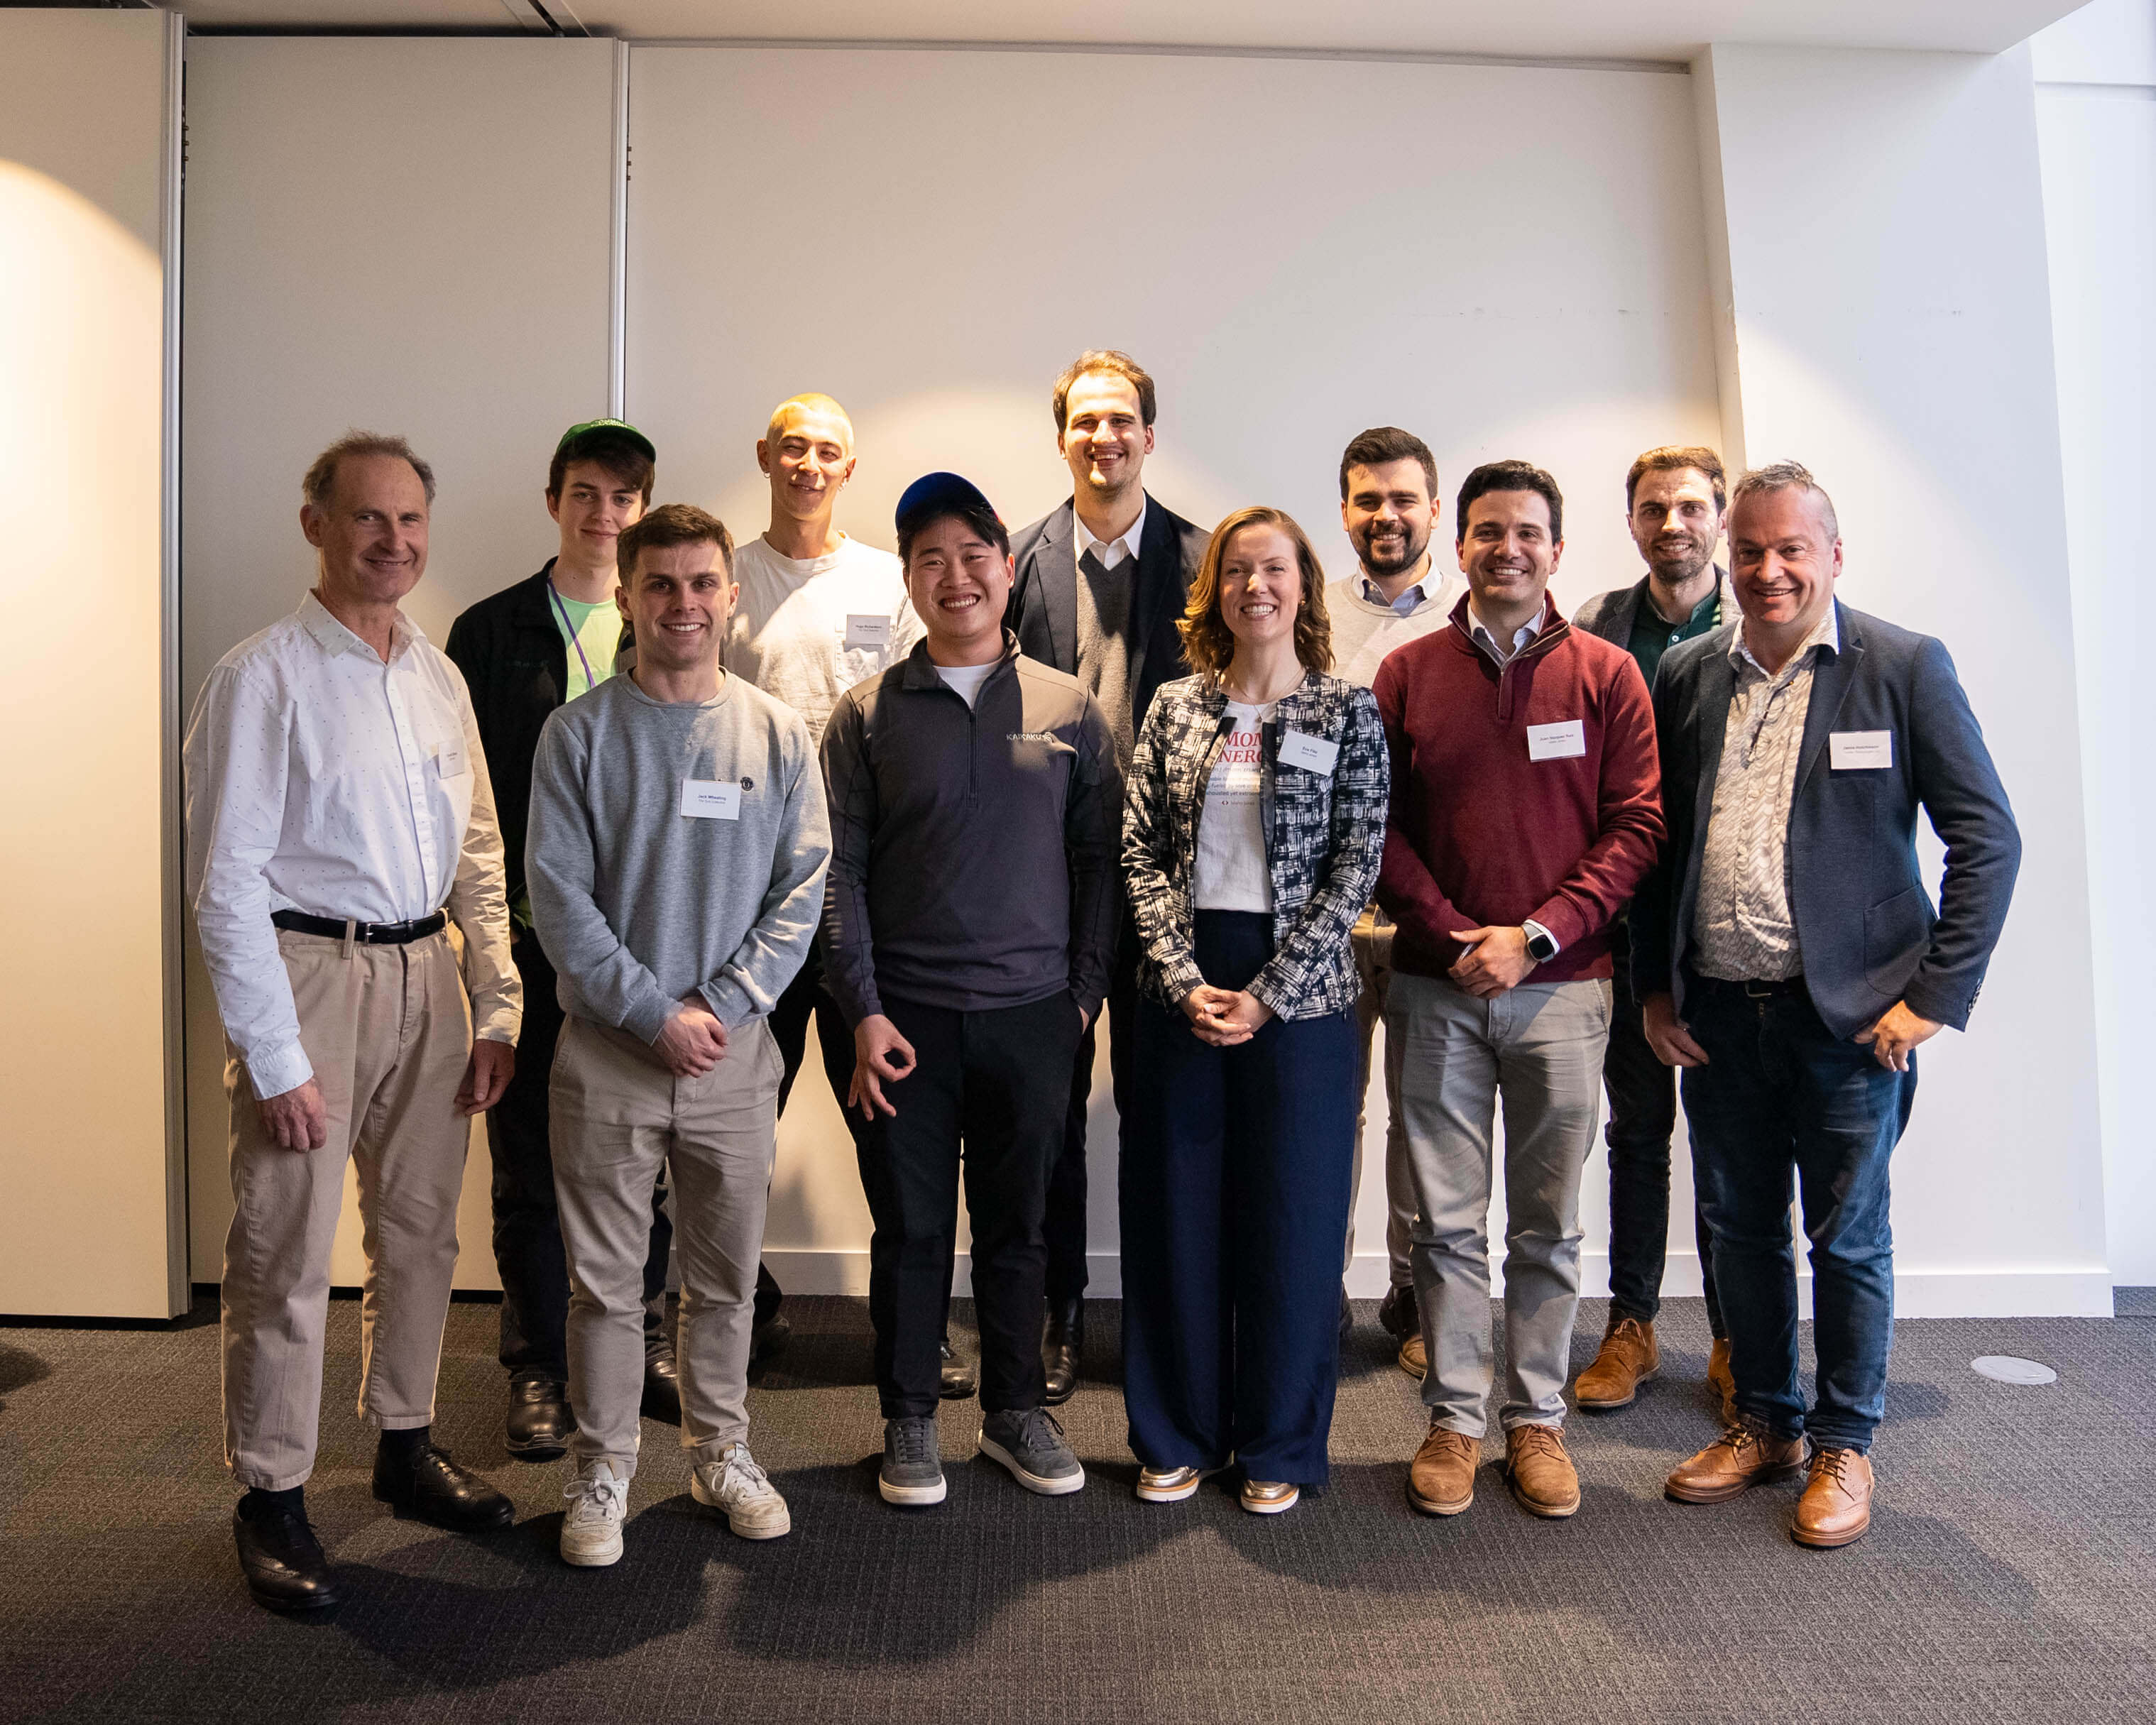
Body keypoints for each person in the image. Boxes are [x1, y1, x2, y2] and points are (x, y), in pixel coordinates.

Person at [1636, 461, 2020, 1548]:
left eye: (1790, 549)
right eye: (1749, 550)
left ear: (1832, 557)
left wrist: (1932, 999)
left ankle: (1846, 1441)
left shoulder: (1900, 666)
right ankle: (1766, 1419)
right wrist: (1655, 988)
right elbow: (1662, 850)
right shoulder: (1687, 674)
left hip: (1850, 1020)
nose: (1767, 569)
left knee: (1846, 1237)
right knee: (1738, 1229)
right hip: (1717, 1009)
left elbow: (1986, 838)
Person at [185, 432, 522, 1614]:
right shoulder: (260, 677)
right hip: (310, 975)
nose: (394, 541)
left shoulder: (438, 677)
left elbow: (479, 851)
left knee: (423, 1233)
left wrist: (496, 1001)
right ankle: (272, 1494)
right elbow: (224, 884)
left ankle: (405, 1440)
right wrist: (276, 1055)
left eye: (412, 520)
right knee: (283, 1248)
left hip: (429, 975)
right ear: (315, 524)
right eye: (369, 518)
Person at [527, 503, 831, 1565]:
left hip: (733, 1060)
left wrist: (724, 1005)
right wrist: (654, 1013)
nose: (684, 604)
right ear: (628, 594)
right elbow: (558, 900)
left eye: (704, 583)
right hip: (608, 1057)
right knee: (607, 1285)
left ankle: (719, 1451)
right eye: (662, 585)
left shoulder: (777, 733)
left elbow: (802, 890)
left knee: (722, 1278)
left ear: (730, 594)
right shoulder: (578, 735)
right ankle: (602, 1468)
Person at [821, 471, 1120, 1507]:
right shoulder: (865, 715)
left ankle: (1013, 1411)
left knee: (1017, 1226)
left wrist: (1079, 1002)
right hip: (899, 1021)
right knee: (908, 1230)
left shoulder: (1067, 707)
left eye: (972, 554)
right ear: (909, 580)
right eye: (929, 560)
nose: (956, 576)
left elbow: (1100, 866)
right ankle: (906, 1420)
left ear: (1004, 564)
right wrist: (860, 1008)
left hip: (1032, 1016)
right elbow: (838, 874)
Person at [1374, 459, 1663, 1522]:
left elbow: (1635, 827)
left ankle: (1534, 1419)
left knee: (1546, 1224)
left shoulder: (1606, 675)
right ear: (1459, 545)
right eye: (1487, 530)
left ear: (1555, 548)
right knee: (1446, 1227)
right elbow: (1379, 830)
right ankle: (1454, 1418)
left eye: (1527, 532)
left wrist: (1534, 934)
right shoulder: (1405, 675)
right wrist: (1456, 937)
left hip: (1564, 990)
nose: (1507, 547)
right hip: (1436, 988)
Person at [1121, 507, 1388, 1515]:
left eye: (1273, 568)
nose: (1254, 586)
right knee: (1175, 1216)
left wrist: (1267, 994)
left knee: (1294, 1219)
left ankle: (1277, 1442)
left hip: (1303, 1002)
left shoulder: (1345, 713)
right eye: (1236, 570)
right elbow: (1139, 851)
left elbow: (1353, 868)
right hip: (1182, 989)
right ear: (1214, 591)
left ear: (1301, 585)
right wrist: (1183, 977)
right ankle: (1176, 1432)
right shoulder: (1173, 708)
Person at [445, 418, 683, 1464]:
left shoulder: (670, 622)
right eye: (586, 493)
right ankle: (537, 1364)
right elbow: (465, 800)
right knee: (530, 1159)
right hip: (540, 944)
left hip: (648, 943)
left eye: (624, 497)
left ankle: (643, 1340)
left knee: (653, 1152)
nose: (604, 514)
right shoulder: (491, 632)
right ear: (554, 500)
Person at [1009, 351, 1211, 1402]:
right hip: (1046, 882)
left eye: (1121, 419)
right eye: (1085, 420)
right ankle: (1056, 1311)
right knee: (1047, 1105)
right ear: (1062, 436)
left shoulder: (1210, 559)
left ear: (1147, 432)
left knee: (1163, 1104)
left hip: (1178, 883)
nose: (1104, 437)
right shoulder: (1012, 560)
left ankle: (1163, 1311)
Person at [721, 393, 935, 1382]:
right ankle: (733, 1309)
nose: (809, 463)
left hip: (857, 898)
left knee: (891, 1125)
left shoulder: (888, 582)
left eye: (829, 451)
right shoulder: (725, 578)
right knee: (733, 1124)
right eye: (794, 447)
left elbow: (906, 726)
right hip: (748, 898)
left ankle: (914, 1327)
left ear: (850, 470)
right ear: (766, 456)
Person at [1567, 445, 1739, 1416]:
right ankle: (1629, 1326)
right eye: (1651, 508)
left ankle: (1730, 1333)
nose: (1670, 523)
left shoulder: (1754, 620)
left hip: (1720, 927)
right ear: (1630, 521)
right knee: (1636, 1133)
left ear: (1714, 515)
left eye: (1686, 506)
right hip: (1626, 925)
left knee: (1724, 1140)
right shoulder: (1599, 626)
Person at [1327, 427, 1467, 1381]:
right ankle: (1316, 1285)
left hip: (1426, 912)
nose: (1385, 515)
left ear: (1433, 508)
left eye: (1403, 499)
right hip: (1328, 916)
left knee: (1427, 1115)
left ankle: (1415, 1293)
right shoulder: (1309, 616)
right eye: (1367, 499)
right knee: (1329, 1112)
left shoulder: (1472, 617)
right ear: (1344, 509)